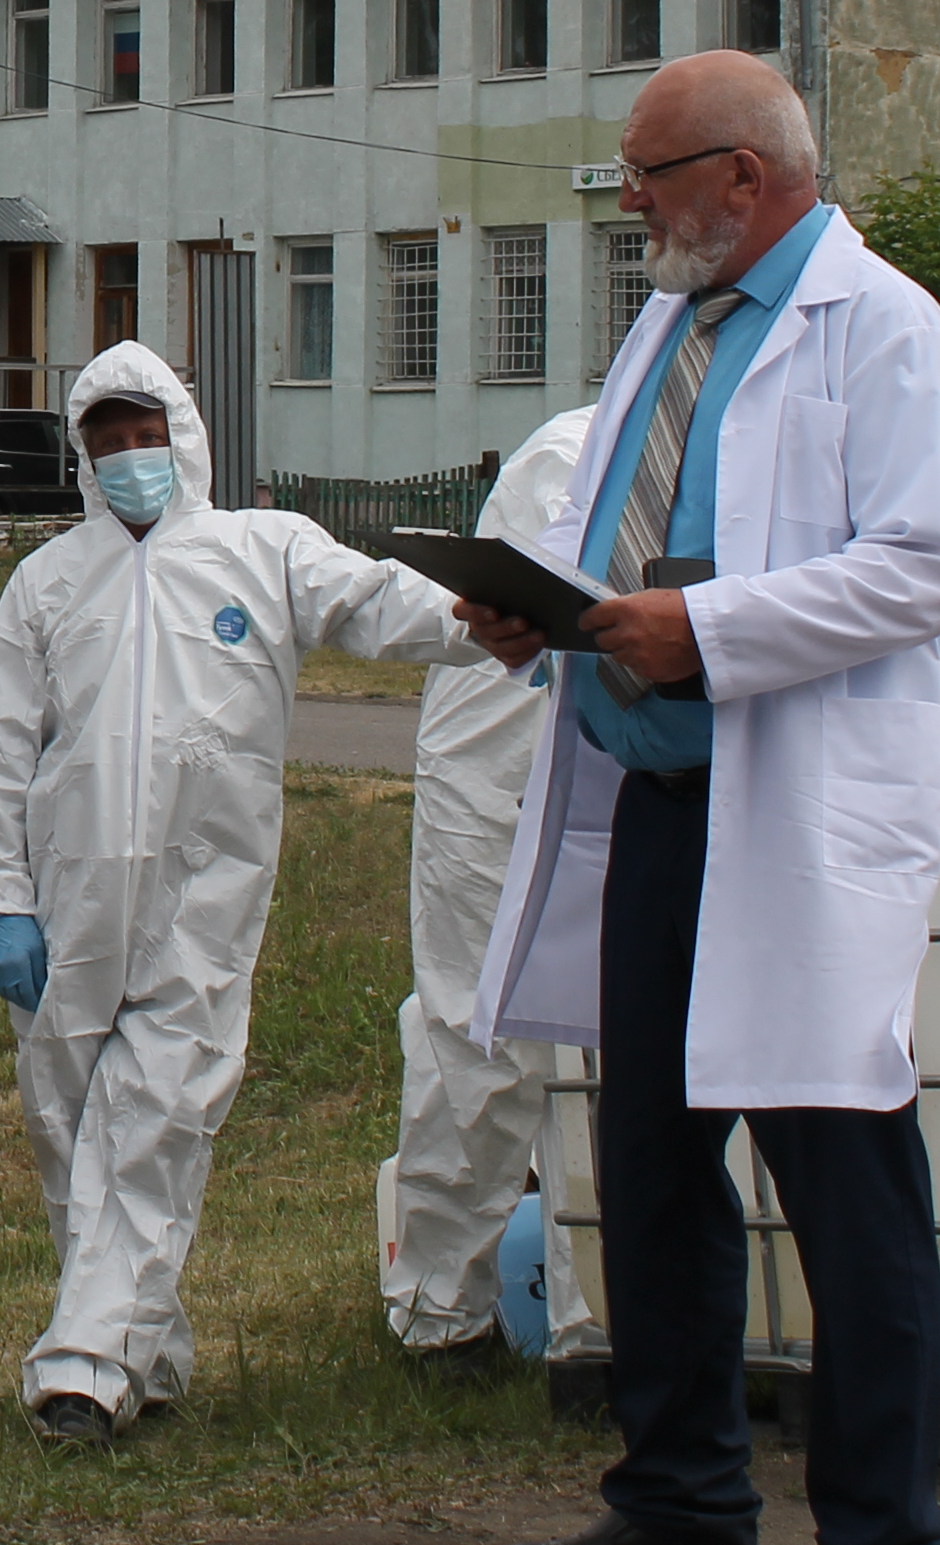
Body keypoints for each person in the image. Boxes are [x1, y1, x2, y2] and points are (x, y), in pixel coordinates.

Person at [461, 52, 940, 1545]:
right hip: (663, 807)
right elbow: (604, 513)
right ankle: (680, 1495)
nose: (630, 202)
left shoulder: (881, 330)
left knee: (839, 1171)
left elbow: (925, 565)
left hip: (800, 817)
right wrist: (533, 606)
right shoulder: (674, 321)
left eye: (650, 173)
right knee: (654, 1165)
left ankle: (882, 1518)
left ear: (743, 179)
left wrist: (713, 628)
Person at [0, 341, 473, 1446]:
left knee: (158, 1115)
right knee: (70, 1125)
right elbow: (5, 751)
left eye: (151, 434)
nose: (134, 456)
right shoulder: (47, 581)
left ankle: (83, 1371)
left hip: (203, 894)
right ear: (83, 453)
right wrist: (4, 896)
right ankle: (148, 1349)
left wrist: (494, 617)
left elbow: (381, 602)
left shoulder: (261, 551)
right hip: (67, 898)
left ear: (184, 438)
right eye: (111, 439)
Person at [382, 402, 595, 1367]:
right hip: (493, 779)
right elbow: (567, 607)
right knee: (478, 1045)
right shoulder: (574, 454)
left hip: (609, 772)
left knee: (605, 1059)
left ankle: (596, 1321)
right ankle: (443, 1312)